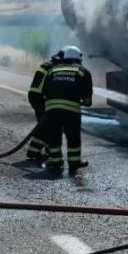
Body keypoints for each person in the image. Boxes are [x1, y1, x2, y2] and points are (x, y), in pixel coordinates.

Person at [34, 45, 93, 176]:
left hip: (51, 109)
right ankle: (74, 162)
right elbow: (87, 96)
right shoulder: (82, 71)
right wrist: (85, 102)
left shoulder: (52, 70)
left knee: (54, 136)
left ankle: (56, 162)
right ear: (78, 58)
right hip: (71, 110)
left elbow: (44, 90)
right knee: (73, 137)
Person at [23, 50, 64, 163]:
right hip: (41, 98)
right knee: (50, 125)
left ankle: (36, 151)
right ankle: (40, 152)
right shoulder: (55, 68)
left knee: (46, 125)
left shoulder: (47, 64)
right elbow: (52, 85)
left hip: (35, 96)